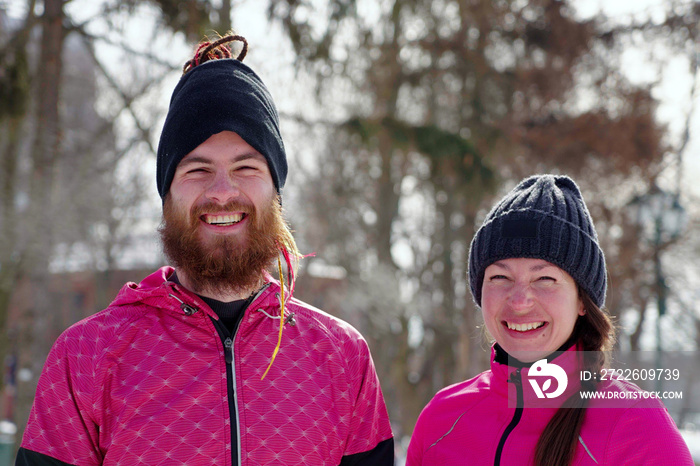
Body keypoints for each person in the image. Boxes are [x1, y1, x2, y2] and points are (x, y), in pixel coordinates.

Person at [18, 34, 394, 465]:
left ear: (275, 192)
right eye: (197, 169)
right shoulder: (87, 355)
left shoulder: (342, 357)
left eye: (246, 167)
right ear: (167, 196)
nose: (222, 192)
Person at [406, 174, 692, 465]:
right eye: (500, 277)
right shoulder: (441, 421)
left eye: (544, 278)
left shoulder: (634, 426)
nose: (519, 301)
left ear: (582, 301)